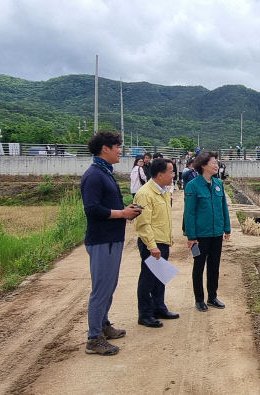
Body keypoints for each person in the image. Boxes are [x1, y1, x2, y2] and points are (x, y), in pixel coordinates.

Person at [80, 131, 142, 356]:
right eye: (117, 146)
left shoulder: (105, 172)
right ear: (105, 148)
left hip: (112, 238)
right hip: (102, 240)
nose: (120, 151)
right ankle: (93, 338)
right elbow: (92, 209)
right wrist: (122, 213)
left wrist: (127, 211)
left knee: (110, 286)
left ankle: (103, 325)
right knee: (101, 289)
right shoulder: (94, 175)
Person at [133, 158, 179, 328]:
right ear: (160, 174)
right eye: (171, 171)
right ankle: (144, 314)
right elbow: (143, 224)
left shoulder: (164, 191)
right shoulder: (145, 194)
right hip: (152, 244)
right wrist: (152, 246)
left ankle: (159, 307)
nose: (173, 175)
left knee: (160, 278)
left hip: (163, 241)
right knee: (148, 279)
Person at [184, 152, 231, 312]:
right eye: (213, 163)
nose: (216, 166)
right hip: (200, 236)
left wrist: (227, 228)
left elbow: (224, 207)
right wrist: (191, 236)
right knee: (199, 267)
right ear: (203, 165)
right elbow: (189, 213)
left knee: (214, 266)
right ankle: (199, 299)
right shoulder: (192, 186)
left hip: (216, 233)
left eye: (217, 163)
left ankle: (212, 297)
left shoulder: (218, 184)